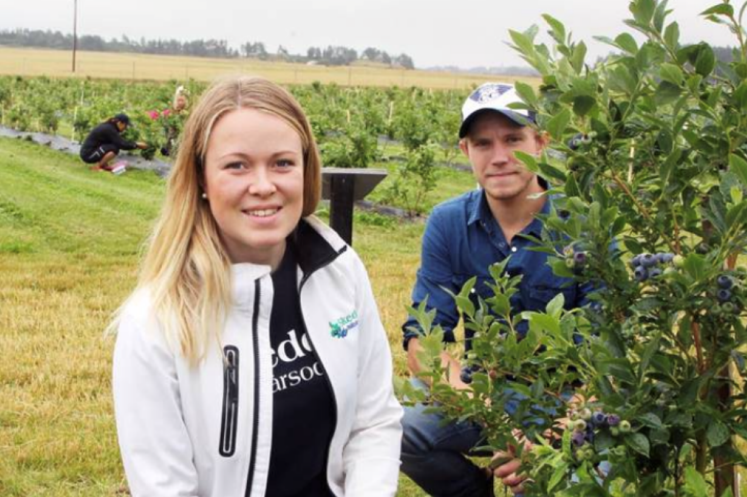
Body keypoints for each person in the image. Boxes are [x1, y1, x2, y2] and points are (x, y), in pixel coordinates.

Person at [112, 76, 403, 497]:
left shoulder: (340, 272)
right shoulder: (157, 321)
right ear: (201, 180)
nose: (264, 185)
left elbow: (373, 420)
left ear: (307, 171)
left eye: (283, 163)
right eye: (237, 165)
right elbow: (165, 488)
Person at [400, 83, 594, 496]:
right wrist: (502, 429)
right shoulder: (448, 223)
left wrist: (553, 440)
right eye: (483, 143)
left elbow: (608, 353)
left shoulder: (584, 225)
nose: (500, 157)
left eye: (513, 139)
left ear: (541, 142)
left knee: (573, 479)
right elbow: (423, 343)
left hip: (568, 401)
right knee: (400, 426)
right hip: (483, 393)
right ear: (465, 151)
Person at [79, 113, 148, 171]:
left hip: (90, 152)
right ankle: (98, 167)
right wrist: (137, 145)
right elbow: (122, 145)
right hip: (88, 155)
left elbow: (119, 142)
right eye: (125, 125)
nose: (126, 128)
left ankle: (103, 166)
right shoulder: (109, 129)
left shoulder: (109, 127)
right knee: (115, 148)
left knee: (112, 145)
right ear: (120, 123)